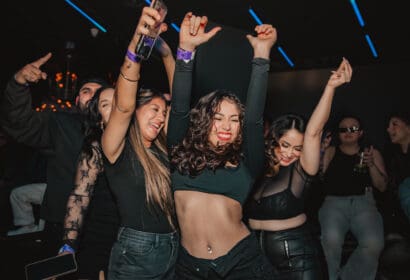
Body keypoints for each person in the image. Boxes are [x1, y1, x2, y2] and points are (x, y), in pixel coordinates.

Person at [167, 12, 277, 279]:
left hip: (242, 264)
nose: (226, 126)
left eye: (233, 119)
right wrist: (186, 51)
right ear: (204, 120)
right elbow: (180, 106)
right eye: (217, 118)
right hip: (189, 269)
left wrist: (261, 55)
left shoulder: (247, 162)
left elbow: (254, 117)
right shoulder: (180, 151)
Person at [244, 58, 352, 279]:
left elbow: (314, 130)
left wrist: (330, 87)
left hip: (298, 259)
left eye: (298, 148)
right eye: (285, 144)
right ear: (273, 139)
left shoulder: (302, 170)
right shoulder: (259, 168)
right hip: (258, 259)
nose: (289, 153)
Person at [0, 53, 109, 253]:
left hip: (105, 228)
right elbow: (20, 124)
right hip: (61, 224)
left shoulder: (121, 131)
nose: (93, 95)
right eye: (86, 91)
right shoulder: (61, 124)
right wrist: (18, 84)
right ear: (77, 100)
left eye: (99, 92)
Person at [101, 7, 177, 279]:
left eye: (163, 113)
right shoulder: (117, 148)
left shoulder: (160, 147)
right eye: (154, 110)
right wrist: (136, 45)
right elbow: (123, 105)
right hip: (136, 252)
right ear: (137, 110)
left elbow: (180, 104)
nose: (160, 118)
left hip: (173, 247)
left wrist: (166, 52)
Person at [58, 86, 119, 279]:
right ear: (99, 117)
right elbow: (80, 196)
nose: (115, 107)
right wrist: (69, 244)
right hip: (101, 238)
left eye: (118, 101)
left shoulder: (141, 143)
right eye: (105, 104)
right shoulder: (95, 148)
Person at [319, 115, 387, 280]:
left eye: (353, 129)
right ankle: (332, 277)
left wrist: (371, 165)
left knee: (374, 243)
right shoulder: (331, 151)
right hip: (333, 203)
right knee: (331, 240)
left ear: (361, 133)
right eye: (343, 130)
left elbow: (382, 186)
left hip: (364, 202)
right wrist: (320, 153)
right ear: (338, 133)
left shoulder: (371, 152)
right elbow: (317, 178)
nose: (348, 132)